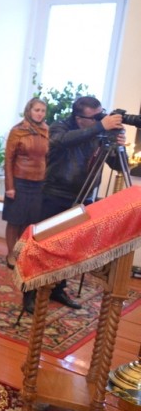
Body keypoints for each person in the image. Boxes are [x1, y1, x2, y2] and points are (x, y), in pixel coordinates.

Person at [24, 95, 126, 314]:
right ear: (79, 118)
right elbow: (60, 141)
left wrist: (119, 146)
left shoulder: (99, 132)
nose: (100, 119)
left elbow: (118, 166)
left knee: (69, 248)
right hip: (54, 195)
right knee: (42, 246)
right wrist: (100, 126)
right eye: (95, 117)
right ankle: (30, 292)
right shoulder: (61, 127)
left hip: (84, 199)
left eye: (101, 114)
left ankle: (58, 288)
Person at [3, 98, 48, 273]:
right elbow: (8, 160)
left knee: (29, 221)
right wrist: (9, 186)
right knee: (15, 220)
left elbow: (47, 158)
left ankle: (21, 253)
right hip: (19, 181)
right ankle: (10, 254)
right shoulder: (17, 131)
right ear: (29, 110)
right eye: (37, 110)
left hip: (38, 183)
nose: (40, 114)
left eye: (43, 110)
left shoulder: (47, 130)